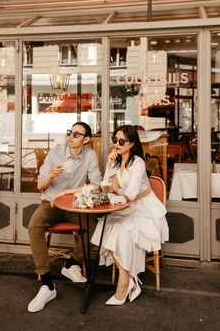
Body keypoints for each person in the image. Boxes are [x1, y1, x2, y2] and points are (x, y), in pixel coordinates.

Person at [28, 121, 102, 313]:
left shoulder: (90, 155)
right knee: (35, 225)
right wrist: (51, 175)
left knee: (96, 226)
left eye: (77, 134)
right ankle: (47, 284)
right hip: (51, 203)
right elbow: (40, 186)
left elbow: (97, 184)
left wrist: (69, 192)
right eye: (70, 132)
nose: (71, 136)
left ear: (86, 140)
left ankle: (71, 263)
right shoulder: (56, 153)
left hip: (73, 205)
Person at [91, 124, 169, 305]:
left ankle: (124, 283)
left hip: (144, 208)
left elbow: (131, 195)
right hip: (124, 206)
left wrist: (114, 189)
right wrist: (109, 165)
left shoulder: (138, 163)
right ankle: (130, 281)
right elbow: (105, 187)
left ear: (132, 143)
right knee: (106, 227)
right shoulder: (117, 161)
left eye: (121, 141)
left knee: (120, 230)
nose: (116, 144)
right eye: (114, 140)